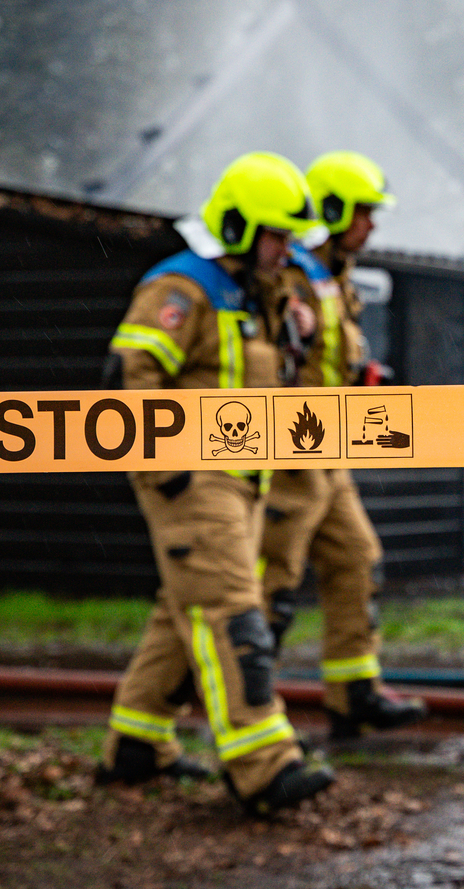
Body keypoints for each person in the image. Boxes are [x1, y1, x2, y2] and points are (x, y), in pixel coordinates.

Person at [96, 151, 337, 816]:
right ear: (238, 225)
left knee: (188, 609)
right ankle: (263, 766)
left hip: (244, 478)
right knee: (233, 611)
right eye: (276, 234)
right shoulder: (182, 290)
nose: (285, 248)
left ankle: (138, 744)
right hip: (193, 480)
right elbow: (127, 379)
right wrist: (168, 470)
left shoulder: (263, 294)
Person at [259, 151, 429, 739]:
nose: (373, 225)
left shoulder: (330, 276)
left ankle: (353, 693)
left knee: (355, 557)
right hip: (290, 452)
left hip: (330, 450)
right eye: (365, 212)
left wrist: (363, 376)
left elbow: (331, 355)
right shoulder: (292, 271)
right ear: (334, 210)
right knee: (269, 580)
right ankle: (249, 716)